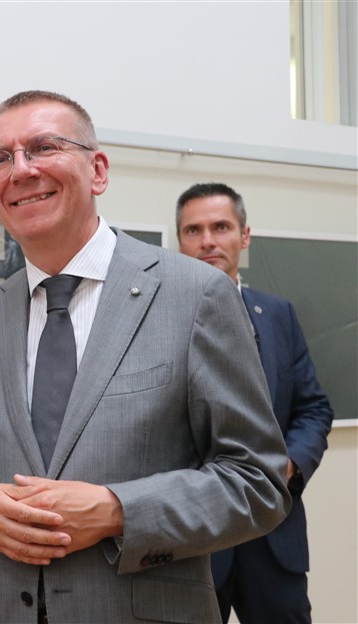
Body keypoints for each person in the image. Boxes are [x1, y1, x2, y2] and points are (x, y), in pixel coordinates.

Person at [0, 90, 292, 623]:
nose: (21, 170)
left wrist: (118, 511)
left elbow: (258, 482)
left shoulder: (195, 296)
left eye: (43, 147)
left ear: (97, 171)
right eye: (1, 158)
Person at [176, 182, 334, 624]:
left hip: (273, 535)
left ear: (244, 236)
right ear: (179, 241)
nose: (208, 241)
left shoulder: (278, 313)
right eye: (193, 230)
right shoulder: (155, 318)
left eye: (221, 227)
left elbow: (313, 409)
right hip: (192, 541)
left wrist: (290, 465)